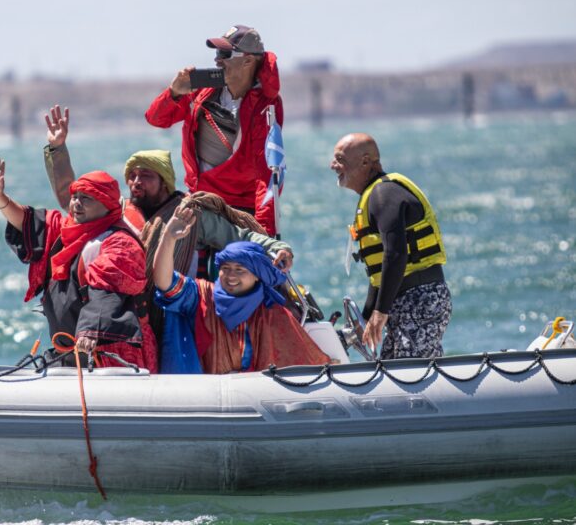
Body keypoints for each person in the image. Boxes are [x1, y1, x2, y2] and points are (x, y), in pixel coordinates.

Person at [42, 106, 293, 371]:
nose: (136, 181)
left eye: (146, 176)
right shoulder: (117, 213)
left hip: (177, 311)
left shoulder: (190, 214)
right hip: (132, 317)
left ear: (165, 183)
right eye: (132, 175)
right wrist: (58, 149)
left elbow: (238, 235)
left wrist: (277, 248)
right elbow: (70, 197)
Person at [0, 157, 157, 372]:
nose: (76, 202)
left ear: (106, 205)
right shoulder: (64, 229)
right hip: (68, 352)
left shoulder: (121, 244)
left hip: (110, 355)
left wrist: (89, 331)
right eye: (75, 196)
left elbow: (107, 293)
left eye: (86, 198)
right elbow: (26, 222)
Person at [152, 205, 329, 374]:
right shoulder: (201, 294)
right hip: (204, 395)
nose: (231, 276)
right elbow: (164, 283)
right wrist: (169, 237)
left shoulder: (272, 312)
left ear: (257, 275)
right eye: (225, 268)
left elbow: (304, 364)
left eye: (240, 270)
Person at [145, 25, 283, 236]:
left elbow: (268, 171)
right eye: (218, 53)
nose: (217, 60)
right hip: (198, 200)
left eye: (225, 54)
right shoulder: (202, 90)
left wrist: (263, 231)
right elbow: (157, 119)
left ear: (248, 60)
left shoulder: (266, 104)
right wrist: (174, 93)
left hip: (238, 210)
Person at [330, 133, 451, 359]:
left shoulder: (384, 193)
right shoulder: (372, 196)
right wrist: (366, 318)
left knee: (411, 376)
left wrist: (380, 311)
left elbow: (395, 254)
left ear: (365, 161)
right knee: (390, 369)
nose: (332, 165)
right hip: (402, 301)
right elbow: (379, 275)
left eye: (339, 159)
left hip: (420, 298)